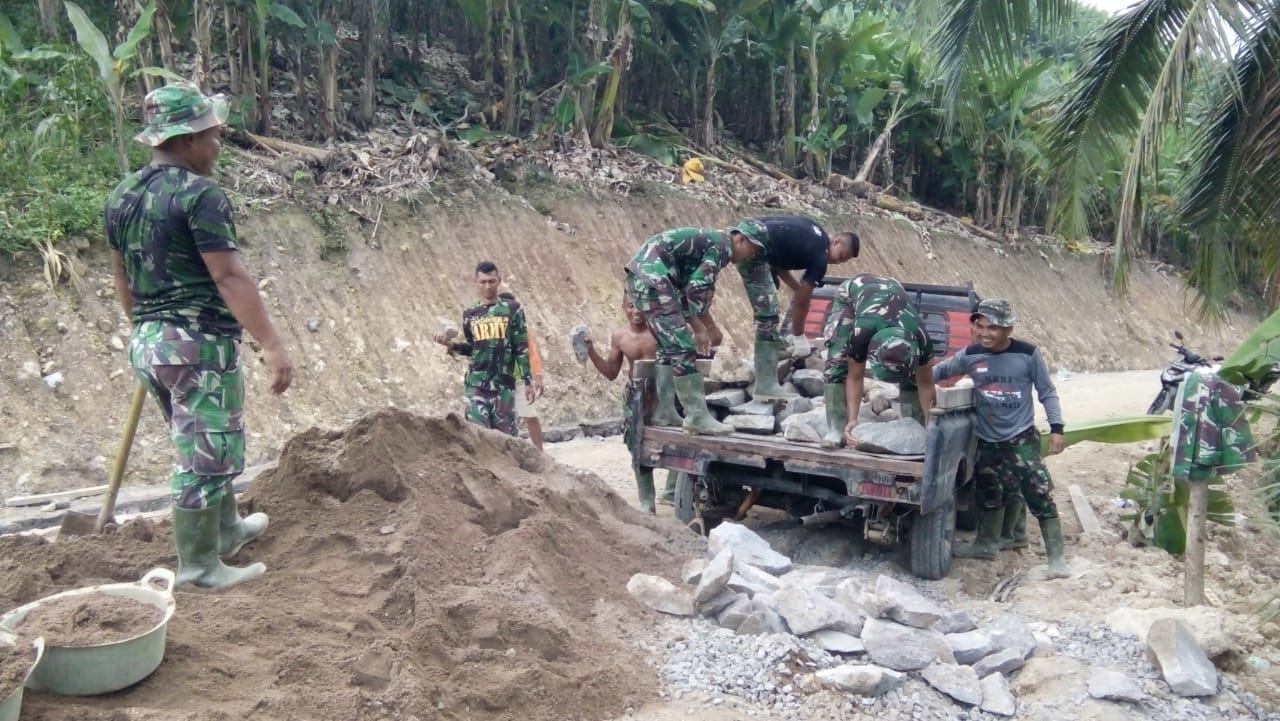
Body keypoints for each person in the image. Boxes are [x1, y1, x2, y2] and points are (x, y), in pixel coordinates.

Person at [107, 82, 293, 589]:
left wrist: (147, 334)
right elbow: (228, 277)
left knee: (207, 441)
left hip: (151, 342)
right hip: (196, 344)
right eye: (214, 135)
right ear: (187, 139)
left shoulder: (123, 194)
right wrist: (271, 345)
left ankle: (227, 529)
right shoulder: (200, 194)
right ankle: (198, 566)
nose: (218, 146)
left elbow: (121, 277)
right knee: (205, 456)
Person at [931, 299, 1069, 579]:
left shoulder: (1028, 354)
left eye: (992, 328)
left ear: (1008, 328)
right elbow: (937, 372)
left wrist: (1057, 428)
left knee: (1039, 494)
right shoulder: (970, 355)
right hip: (987, 441)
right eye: (980, 326)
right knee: (989, 494)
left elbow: (1047, 392)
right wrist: (909, 373)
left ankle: (1057, 560)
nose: (985, 334)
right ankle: (986, 544)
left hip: (1021, 440)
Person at [624, 221, 767, 435]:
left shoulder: (713, 242)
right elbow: (695, 289)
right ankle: (697, 416)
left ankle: (665, 412)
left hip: (644, 279)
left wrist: (702, 325)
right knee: (683, 348)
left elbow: (686, 290)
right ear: (741, 239)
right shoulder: (722, 248)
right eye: (753, 249)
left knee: (667, 347)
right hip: (654, 281)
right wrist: (703, 328)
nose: (751, 256)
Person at [738, 216, 859, 400]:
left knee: (769, 307)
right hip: (752, 247)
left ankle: (766, 369)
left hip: (746, 233)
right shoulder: (820, 256)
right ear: (837, 241)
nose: (837, 262)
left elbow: (780, 262)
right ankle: (765, 384)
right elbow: (802, 303)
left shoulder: (814, 233)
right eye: (840, 256)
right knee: (768, 316)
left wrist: (797, 288)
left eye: (843, 262)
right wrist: (799, 336)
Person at [821, 273, 937, 448]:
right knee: (837, 362)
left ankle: (915, 427)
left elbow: (926, 384)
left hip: (893, 289)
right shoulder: (862, 333)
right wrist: (853, 419)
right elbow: (855, 376)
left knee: (914, 378)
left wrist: (931, 426)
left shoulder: (922, 339)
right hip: (853, 292)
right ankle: (835, 428)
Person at [582, 296, 675, 512]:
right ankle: (646, 502)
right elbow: (611, 373)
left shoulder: (661, 330)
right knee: (636, 446)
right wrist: (591, 351)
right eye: (631, 306)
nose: (636, 311)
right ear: (624, 308)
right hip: (636, 396)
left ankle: (672, 491)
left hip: (665, 392)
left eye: (641, 305)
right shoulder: (620, 337)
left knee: (675, 440)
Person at [433, 263, 534, 437]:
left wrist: (527, 381)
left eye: (492, 281)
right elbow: (473, 348)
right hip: (476, 384)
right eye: (483, 282)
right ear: (476, 283)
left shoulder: (512, 310)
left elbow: (521, 347)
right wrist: (452, 346)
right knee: (480, 437)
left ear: (499, 281)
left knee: (507, 441)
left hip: (503, 386)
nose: (488, 286)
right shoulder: (470, 314)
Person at [499, 291, 545, 450]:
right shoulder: (492, 328)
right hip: (499, 382)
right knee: (502, 419)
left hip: (520, 381)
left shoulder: (522, 329)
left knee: (530, 415)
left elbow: (531, 353)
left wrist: (537, 377)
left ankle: (540, 453)